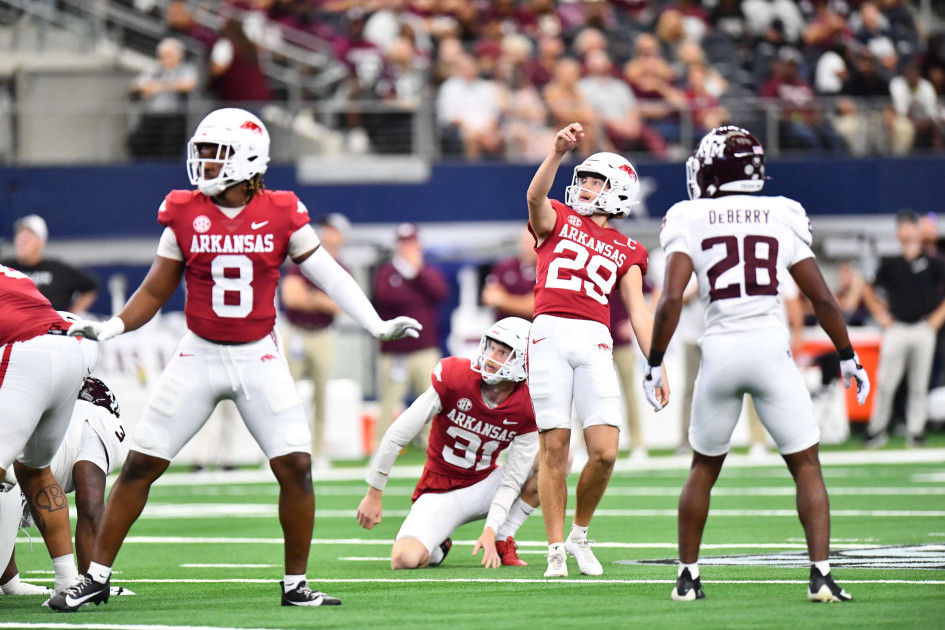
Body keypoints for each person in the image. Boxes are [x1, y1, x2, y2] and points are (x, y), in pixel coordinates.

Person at [51, 108, 421, 612]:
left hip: (257, 356)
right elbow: (156, 288)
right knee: (141, 465)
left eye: (212, 153)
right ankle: (95, 577)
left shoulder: (283, 211)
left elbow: (328, 275)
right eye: (200, 152)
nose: (201, 163)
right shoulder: (183, 210)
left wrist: (375, 322)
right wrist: (113, 326)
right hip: (197, 354)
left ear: (247, 160)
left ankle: (295, 585)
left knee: (296, 467)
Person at [643, 125, 870, 603]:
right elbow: (822, 297)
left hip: (721, 351)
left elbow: (669, 302)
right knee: (806, 464)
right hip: (770, 349)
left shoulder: (689, 215)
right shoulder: (781, 211)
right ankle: (821, 574)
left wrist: (654, 362)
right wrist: (847, 354)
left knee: (702, 468)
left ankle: (687, 578)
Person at [526, 122, 669, 578]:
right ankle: (553, 550)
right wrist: (556, 154)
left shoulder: (629, 249)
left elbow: (639, 312)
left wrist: (657, 361)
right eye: (583, 178)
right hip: (548, 332)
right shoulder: (557, 218)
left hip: (596, 340)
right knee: (555, 447)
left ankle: (579, 534)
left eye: (595, 181)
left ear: (619, 191)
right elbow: (534, 198)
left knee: (605, 451)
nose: (584, 187)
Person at [356, 318, 539, 569]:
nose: (491, 356)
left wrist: (492, 528)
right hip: (438, 489)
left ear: (522, 361)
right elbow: (398, 434)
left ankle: (503, 537)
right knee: (404, 559)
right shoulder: (456, 378)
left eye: (503, 352)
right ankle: (439, 545)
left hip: (484, 486)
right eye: (491, 347)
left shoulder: (528, 404)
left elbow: (513, 479)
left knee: (556, 458)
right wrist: (374, 492)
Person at [0, 265, 94, 598]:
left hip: (25, 352)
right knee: (35, 472)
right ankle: (68, 579)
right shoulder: (15, 275)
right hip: (70, 352)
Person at [1, 376, 129, 595]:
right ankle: (79, 584)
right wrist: (93, 580)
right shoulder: (98, 419)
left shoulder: (46, 409)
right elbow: (91, 508)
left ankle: (9, 581)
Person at [862, 209, 945, 448]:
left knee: (919, 384)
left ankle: (915, 431)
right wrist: (880, 315)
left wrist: (937, 319)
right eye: (903, 226)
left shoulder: (932, 263)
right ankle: (877, 429)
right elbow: (867, 288)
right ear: (898, 233)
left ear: (917, 230)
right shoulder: (891, 264)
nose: (906, 230)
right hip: (897, 328)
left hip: (923, 327)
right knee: (886, 382)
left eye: (910, 225)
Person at [281, 213, 351, 470]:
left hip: (322, 335)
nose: (329, 234)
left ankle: (317, 451)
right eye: (327, 229)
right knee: (285, 396)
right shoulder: (303, 260)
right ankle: (281, 452)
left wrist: (310, 296)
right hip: (297, 332)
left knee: (321, 396)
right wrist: (322, 298)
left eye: (334, 230)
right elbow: (291, 297)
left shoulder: (343, 268)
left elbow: (341, 305)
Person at [372, 223, 449, 452]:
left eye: (411, 243)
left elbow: (439, 293)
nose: (407, 248)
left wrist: (416, 273)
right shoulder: (386, 273)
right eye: (403, 243)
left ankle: (433, 446)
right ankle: (381, 446)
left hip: (424, 349)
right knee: (388, 401)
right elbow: (387, 299)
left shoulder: (428, 273)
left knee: (432, 400)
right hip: (394, 352)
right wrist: (411, 286)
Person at [2, 215, 99, 313]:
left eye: (28, 236)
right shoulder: (5, 269)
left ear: (41, 241)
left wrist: (72, 315)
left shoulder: (58, 270)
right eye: (20, 235)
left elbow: (90, 286)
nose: (22, 240)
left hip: (50, 327)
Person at [127, 37, 199, 160]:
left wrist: (162, 86)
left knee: (170, 146)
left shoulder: (185, 69)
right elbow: (136, 85)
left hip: (174, 115)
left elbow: (189, 84)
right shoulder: (154, 70)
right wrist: (145, 87)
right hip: (152, 115)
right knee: (137, 142)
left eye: (169, 55)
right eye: (163, 55)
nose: (166, 59)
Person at [481, 228, 537, 321]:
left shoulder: (547, 269)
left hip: (532, 330)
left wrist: (502, 301)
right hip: (502, 330)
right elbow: (489, 297)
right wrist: (523, 303)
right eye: (525, 242)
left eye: (531, 243)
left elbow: (534, 307)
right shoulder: (506, 266)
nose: (527, 248)